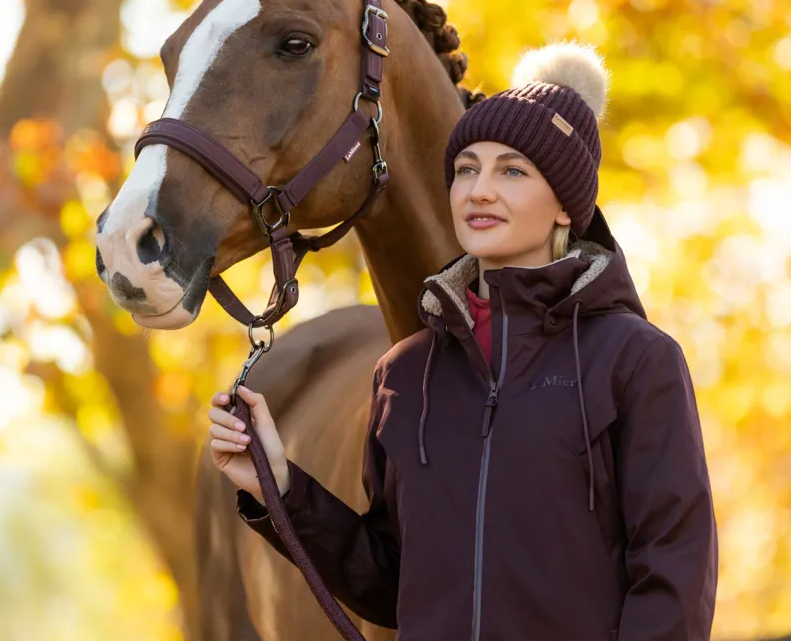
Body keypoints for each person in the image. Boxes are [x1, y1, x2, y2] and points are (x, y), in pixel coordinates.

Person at [208, 41, 718, 640]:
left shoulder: (635, 361)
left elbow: (673, 576)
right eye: (466, 169)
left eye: (513, 171)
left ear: (564, 206)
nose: (478, 190)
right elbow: (393, 584)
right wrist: (278, 483)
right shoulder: (403, 374)